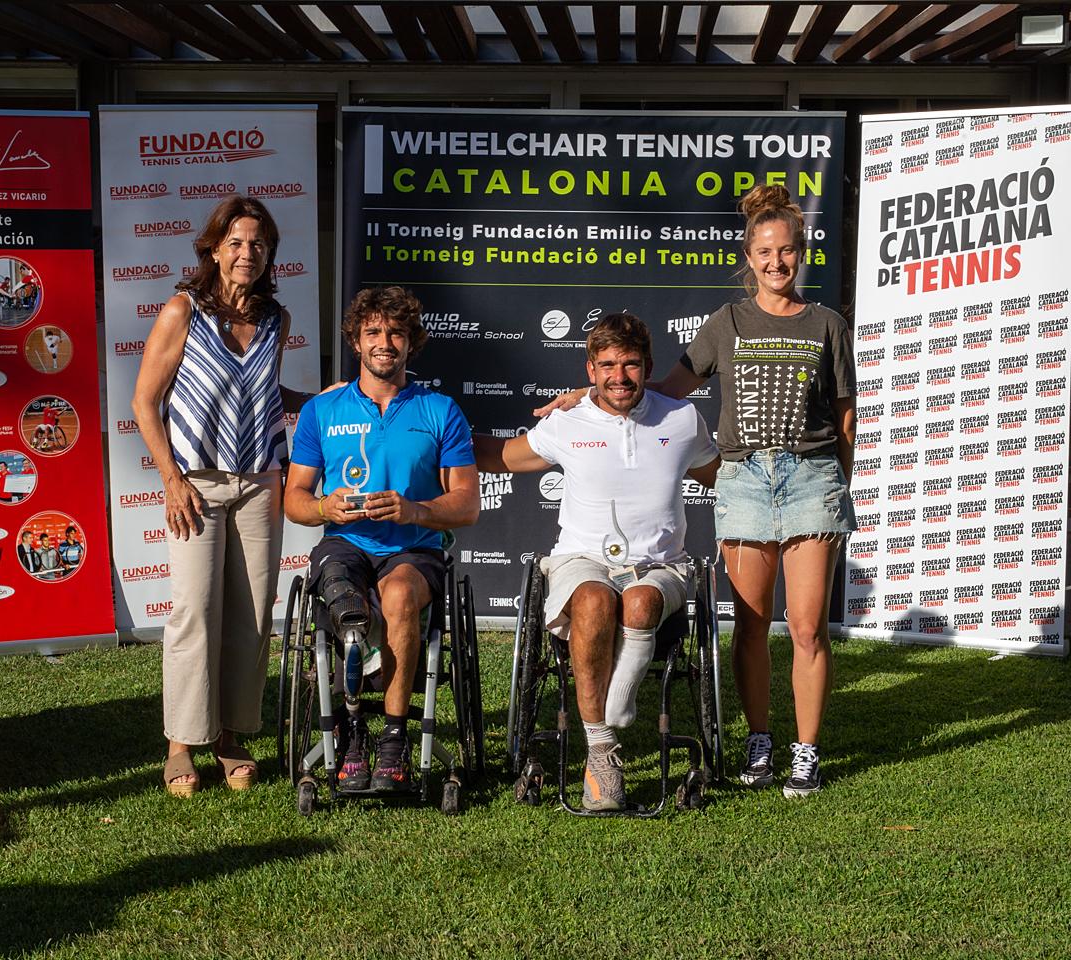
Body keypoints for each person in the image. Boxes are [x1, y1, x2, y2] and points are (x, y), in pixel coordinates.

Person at [538, 185, 856, 798]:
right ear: (749, 256)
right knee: (753, 625)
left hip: (813, 479)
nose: (776, 263)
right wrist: (591, 396)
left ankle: (806, 752)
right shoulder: (726, 323)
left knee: (810, 627)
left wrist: (839, 483)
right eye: (765, 252)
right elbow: (659, 389)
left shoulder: (827, 324)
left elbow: (844, 415)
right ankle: (760, 744)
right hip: (744, 481)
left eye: (786, 251)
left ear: (801, 253)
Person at [476, 313, 719, 810]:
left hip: (660, 566)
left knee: (640, 601)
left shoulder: (682, 418)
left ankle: (617, 701)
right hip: (581, 560)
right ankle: (602, 750)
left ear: (647, 367)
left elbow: (722, 478)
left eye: (630, 364)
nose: (619, 376)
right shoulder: (566, 423)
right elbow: (503, 456)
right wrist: (431, 437)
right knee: (592, 601)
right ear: (590, 370)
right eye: (607, 365)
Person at [132, 194, 308, 798]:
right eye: (235, 242)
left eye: (258, 244)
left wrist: (323, 401)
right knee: (194, 610)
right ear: (212, 248)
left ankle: (233, 736)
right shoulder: (183, 311)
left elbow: (262, 393)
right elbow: (144, 403)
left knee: (255, 613)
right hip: (197, 483)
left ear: (269, 255)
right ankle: (182, 744)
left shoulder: (275, 321)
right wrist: (171, 479)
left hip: (261, 482)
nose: (246, 253)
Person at [284, 286, 479, 793]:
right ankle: (349, 731)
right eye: (373, 331)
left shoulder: (440, 409)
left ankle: (392, 740)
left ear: (412, 342)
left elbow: (467, 504)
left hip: (414, 547)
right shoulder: (322, 412)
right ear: (355, 341)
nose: (384, 342)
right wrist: (325, 507)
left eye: (395, 332)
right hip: (345, 543)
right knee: (346, 603)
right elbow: (295, 499)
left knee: (398, 597)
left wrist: (415, 508)